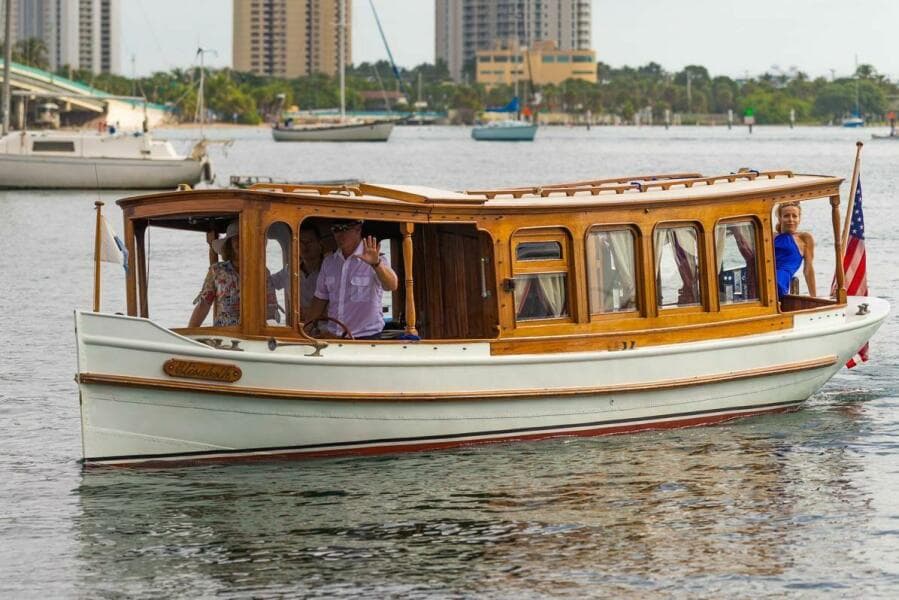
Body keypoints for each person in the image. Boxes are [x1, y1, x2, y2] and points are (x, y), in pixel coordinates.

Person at [306, 219, 399, 339]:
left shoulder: (376, 259)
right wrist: (305, 331)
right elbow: (320, 298)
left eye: (344, 228)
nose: (340, 234)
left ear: (358, 229)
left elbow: (392, 285)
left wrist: (376, 264)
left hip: (367, 338)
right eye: (336, 230)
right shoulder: (329, 262)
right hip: (333, 337)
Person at [188, 221, 278, 327]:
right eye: (236, 238)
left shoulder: (262, 271)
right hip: (223, 335)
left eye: (244, 237)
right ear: (229, 243)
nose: (240, 241)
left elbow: (270, 307)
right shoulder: (217, 270)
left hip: (252, 333)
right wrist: (190, 332)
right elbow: (204, 304)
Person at [774, 202, 815, 299]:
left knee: (778, 284)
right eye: (786, 216)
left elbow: (808, 270)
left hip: (781, 281)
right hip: (766, 278)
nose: (791, 219)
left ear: (799, 219)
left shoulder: (804, 238)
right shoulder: (772, 236)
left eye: (794, 216)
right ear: (780, 218)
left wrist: (814, 297)